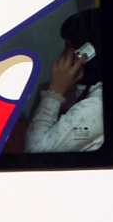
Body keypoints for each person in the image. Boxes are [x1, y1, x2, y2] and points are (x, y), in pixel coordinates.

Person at [25, 8, 103, 152]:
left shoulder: (95, 108)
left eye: (68, 46)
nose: (62, 54)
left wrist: (55, 92)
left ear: (88, 53)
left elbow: (35, 151)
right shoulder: (88, 96)